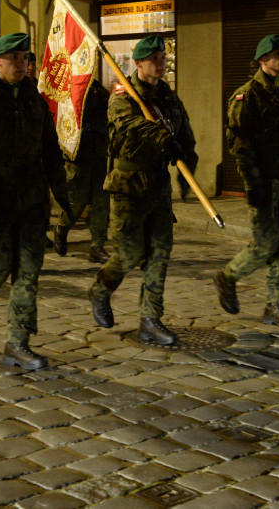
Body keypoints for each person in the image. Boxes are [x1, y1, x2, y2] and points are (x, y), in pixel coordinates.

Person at [0, 33, 71, 370]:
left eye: (25, 58)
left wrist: (62, 195)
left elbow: (50, 149)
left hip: (31, 202)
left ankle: (17, 343)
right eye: (14, 58)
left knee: (28, 274)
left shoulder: (34, 97)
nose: (22, 64)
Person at [88, 35, 197, 346]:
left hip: (158, 188)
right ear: (138, 63)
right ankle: (100, 289)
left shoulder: (168, 96)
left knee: (160, 254)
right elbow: (130, 125)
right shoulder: (123, 95)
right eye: (154, 59)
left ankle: (151, 319)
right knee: (129, 254)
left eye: (163, 58)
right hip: (128, 186)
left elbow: (184, 131)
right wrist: (163, 138)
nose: (160, 63)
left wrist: (188, 158)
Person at [213, 34, 279, 329]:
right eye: (278, 53)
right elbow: (238, 142)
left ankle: (275, 306)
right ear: (262, 60)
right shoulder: (248, 94)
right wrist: (252, 183)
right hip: (263, 181)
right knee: (265, 244)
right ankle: (227, 276)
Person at [53, 76, 111, 263]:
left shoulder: (99, 91)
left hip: (98, 153)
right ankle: (62, 228)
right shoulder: (67, 91)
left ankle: (97, 245)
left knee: (101, 202)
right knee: (76, 202)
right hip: (77, 156)